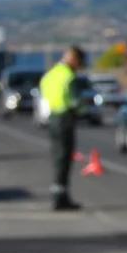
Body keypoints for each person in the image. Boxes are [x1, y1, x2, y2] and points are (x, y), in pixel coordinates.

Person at [40, 47, 85, 210]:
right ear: (74, 60)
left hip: (53, 116)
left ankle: (59, 194)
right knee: (64, 159)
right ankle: (60, 198)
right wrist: (81, 110)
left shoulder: (51, 74)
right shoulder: (68, 76)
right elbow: (75, 101)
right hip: (65, 117)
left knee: (57, 157)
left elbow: (44, 91)